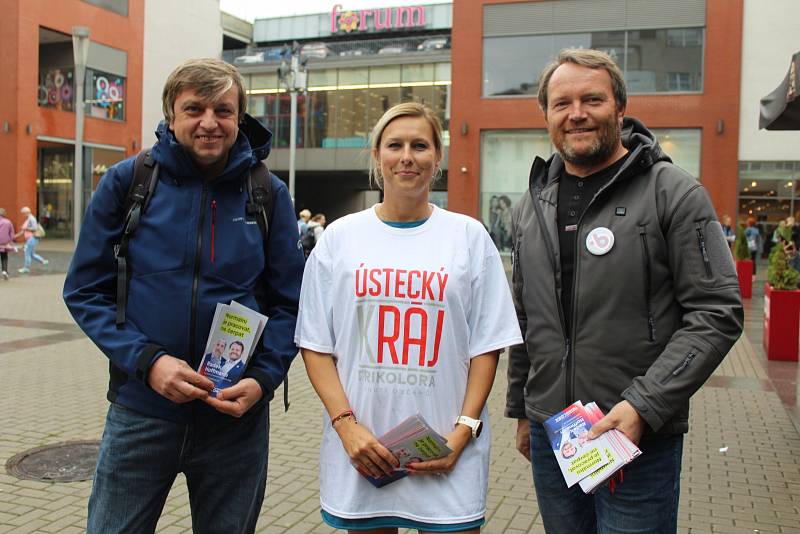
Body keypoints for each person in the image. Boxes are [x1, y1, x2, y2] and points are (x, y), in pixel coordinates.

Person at [62, 58, 304, 534]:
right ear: (171, 115)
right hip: (141, 412)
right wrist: (149, 362)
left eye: (223, 110)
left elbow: (291, 303)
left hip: (235, 419)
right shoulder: (129, 182)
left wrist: (263, 379)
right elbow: (84, 290)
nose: (210, 122)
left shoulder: (267, 193)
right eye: (194, 108)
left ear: (240, 118)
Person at [506, 49, 743, 534]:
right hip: (558, 436)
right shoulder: (532, 206)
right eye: (562, 103)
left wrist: (644, 406)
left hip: (636, 434)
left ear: (619, 107)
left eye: (592, 99)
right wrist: (522, 411)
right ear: (546, 115)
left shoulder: (673, 192)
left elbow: (717, 312)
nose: (577, 114)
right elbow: (524, 319)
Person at [296, 102, 523, 533]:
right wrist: (347, 428)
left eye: (420, 145)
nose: (407, 156)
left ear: (437, 159)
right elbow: (315, 344)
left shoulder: (469, 237)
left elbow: (487, 346)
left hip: (447, 451)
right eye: (394, 145)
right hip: (362, 452)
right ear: (377, 156)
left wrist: (464, 430)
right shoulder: (340, 238)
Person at [15, 206, 48, 274]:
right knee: (32, 254)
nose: (23, 215)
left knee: (27, 253)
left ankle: (26, 268)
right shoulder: (28, 219)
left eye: (23, 213)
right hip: (31, 239)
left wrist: (26, 228)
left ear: (27, 212)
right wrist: (15, 236)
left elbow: (34, 228)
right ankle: (43, 261)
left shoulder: (31, 219)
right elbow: (23, 231)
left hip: (32, 238)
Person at [0, 208, 15, 280]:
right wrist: (10, 241)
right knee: (4, 256)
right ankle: (4, 271)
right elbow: (12, 234)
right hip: (5, 243)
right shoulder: (8, 222)